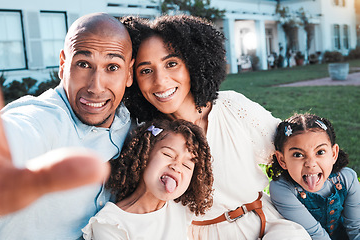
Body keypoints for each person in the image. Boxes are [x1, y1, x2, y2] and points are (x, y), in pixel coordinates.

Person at [122, 15, 311, 239]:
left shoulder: (233, 108)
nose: (160, 81)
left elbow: (292, 152)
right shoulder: (146, 136)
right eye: (145, 70)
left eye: (171, 63)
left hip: (265, 225)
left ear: (193, 63)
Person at [0, 12, 134, 239]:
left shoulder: (131, 122)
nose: (95, 87)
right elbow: (21, 130)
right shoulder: (45, 116)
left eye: (112, 67)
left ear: (129, 73)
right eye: (83, 64)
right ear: (63, 64)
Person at [82, 119, 214, 239]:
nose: (177, 167)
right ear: (144, 157)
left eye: (186, 165)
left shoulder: (179, 209)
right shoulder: (111, 224)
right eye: (168, 154)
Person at [267, 113, 360, 240]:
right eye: (298, 155)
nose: (310, 164)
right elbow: (315, 234)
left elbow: (356, 227)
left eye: (320, 152)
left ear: (333, 154)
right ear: (282, 160)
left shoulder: (347, 178)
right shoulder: (282, 189)